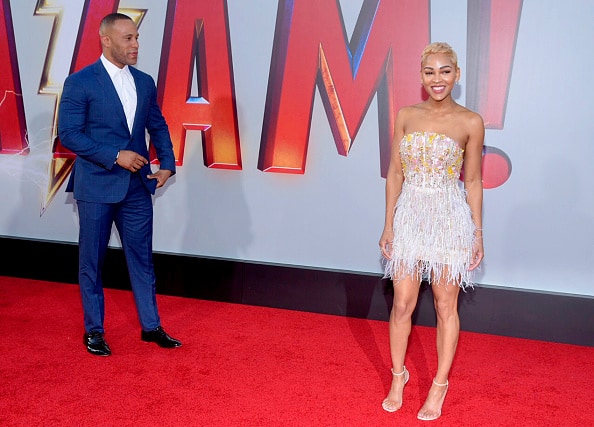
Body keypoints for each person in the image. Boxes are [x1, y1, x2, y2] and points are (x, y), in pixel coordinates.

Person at [58, 13, 181, 356]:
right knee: (92, 262)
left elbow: (157, 125)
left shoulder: (144, 82)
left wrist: (167, 164)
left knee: (142, 259)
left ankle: (151, 326)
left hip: (138, 188)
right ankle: (94, 331)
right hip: (96, 186)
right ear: (107, 40)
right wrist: (115, 155)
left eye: (137, 37)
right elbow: (68, 134)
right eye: (128, 38)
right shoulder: (80, 82)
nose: (135, 45)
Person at [378, 42, 484, 420]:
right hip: (409, 214)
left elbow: (471, 180)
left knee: (444, 305)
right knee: (402, 303)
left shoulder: (471, 122)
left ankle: (439, 384)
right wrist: (389, 223)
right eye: (429, 72)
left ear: (456, 75)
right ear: (421, 76)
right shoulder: (406, 114)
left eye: (444, 71)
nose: (437, 79)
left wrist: (477, 232)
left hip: (449, 218)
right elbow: (394, 172)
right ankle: (398, 376)